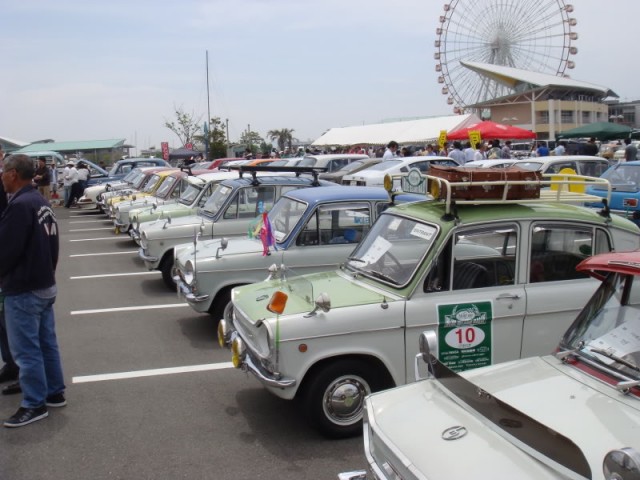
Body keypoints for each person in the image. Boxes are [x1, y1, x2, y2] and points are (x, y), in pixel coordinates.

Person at [0, 154, 65, 428]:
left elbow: (6, 251)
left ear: (13, 174)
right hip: (44, 283)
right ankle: (54, 392)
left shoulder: (19, 206)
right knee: (46, 343)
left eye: (3, 172)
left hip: (24, 287)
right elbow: (54, 245)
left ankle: (34, 403)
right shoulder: (39, 201)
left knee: (26, 351)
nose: (1, 176)